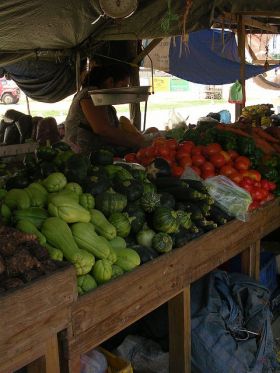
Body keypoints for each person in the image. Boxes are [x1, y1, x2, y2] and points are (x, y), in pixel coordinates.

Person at [64, 63, 151, 154]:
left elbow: (114, 132)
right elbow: (103, 130)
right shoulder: (89, 95)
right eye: (122, 86)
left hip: (100, 154)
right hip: (80, 155)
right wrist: (139, 142)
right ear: (110, 82)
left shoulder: (108, 106)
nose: (124, 90)